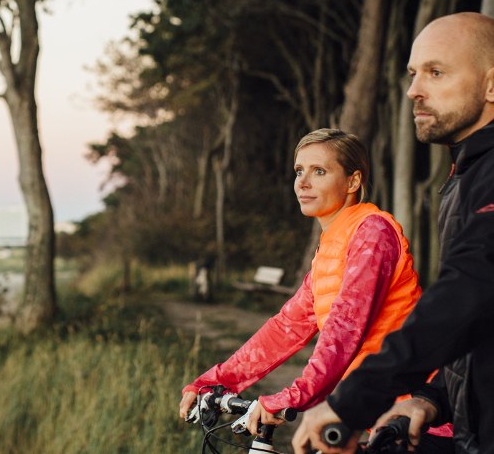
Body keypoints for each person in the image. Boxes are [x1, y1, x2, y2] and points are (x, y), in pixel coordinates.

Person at [295, 12, 494, 454]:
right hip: (491, 430)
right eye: (413, 74)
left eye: (436, 72)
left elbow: (475, 287)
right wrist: (430, 401)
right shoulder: (484, 168)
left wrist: (356, 399)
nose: (414, 89)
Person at [178, 129, 452, 451]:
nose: (303, 182)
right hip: (377, 412)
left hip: (419, 414)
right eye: (299, 171)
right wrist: (215, 381)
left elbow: (344, 328)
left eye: (319, 171)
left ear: (352, 182)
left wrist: (293, 395)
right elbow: (286, 327)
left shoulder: (372, 232)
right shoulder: (331, 247)